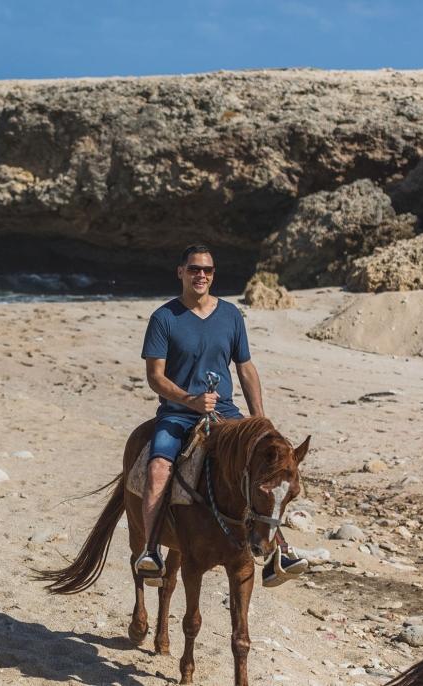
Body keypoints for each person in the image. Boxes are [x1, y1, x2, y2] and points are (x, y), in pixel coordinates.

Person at [135, 244, 306, 587]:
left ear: (213, 275)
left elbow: (245, 368)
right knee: (157, 469)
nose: (201, 275)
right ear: (181, 272)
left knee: (267, 469)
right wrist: (190, 400)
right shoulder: (163, 318)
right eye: (194, 269)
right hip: (178, 413)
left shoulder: (230, 315)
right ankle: (151, 551)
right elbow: (155, 377)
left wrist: (260, 423)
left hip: (225, 412)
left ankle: (278, 551)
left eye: (207, 270)